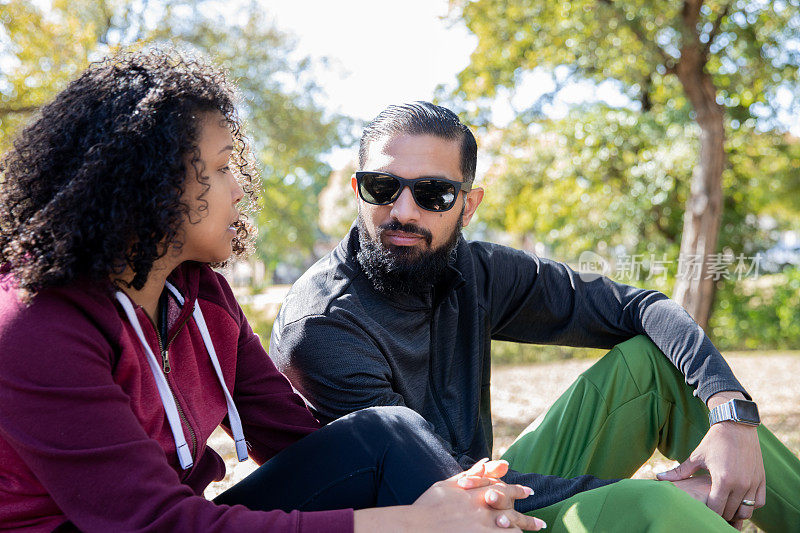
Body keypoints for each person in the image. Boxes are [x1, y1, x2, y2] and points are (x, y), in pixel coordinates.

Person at [0, 52, 549, 532]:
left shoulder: (202, 295)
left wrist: (451, 489)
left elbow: (302, 442)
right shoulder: (36, 327)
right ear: (142, 182)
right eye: (217, 169)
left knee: (390, 433)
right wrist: (407, 523)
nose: (239, 188)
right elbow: (155, 523)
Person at [270, 101, 800, 531]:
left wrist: (732, 411)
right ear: (360, 191)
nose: (404, 211)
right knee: (659, 510)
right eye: (383, 187)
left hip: (490, 489)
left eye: (433, 193)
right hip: (432, 518)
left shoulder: (475, 271)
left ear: (468, 204)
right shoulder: (323, 325)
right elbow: (435, 488)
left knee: (651, 368)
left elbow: (640, 306)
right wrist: (653, 490)